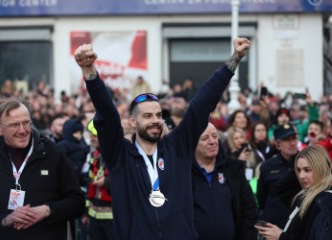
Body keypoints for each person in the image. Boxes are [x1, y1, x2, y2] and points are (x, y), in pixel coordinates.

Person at [74, 37, 250, 240]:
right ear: (133, 122)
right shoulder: (119, 156)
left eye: (158, 115)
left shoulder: (178, 147)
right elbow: (107, 114)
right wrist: (90, 73)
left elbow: (202, 103)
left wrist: (234, 60)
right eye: (147, 116)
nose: (155, 121)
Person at [0, 97, 85, 239]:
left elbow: (78, 202)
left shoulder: (52, 152)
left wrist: (47, 210)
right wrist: (4, 220)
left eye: (26, 123)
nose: (22, 130)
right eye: (14, 125)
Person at [192, 122, 258, 240]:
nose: (212, 141)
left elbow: (249, 211)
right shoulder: (184, 174)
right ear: (193, 144)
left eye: (215, 136)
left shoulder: (233, 170)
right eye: (205, 138)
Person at [255, 145, 332, 240]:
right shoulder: (304, 195)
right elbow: (280, 189)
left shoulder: (325, 202)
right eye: (298, 170)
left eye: (307, 170)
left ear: (320, 168)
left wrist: (281, 236)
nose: (301, 176)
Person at [257, 124, 299, 229]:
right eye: (287, 140)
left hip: (299, 223)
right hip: (274, 223)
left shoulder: (306, 163)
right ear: (278, 145)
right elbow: (261, 197)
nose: (292, 143)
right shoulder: (267, 166)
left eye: (294, 138)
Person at [82, 120, 113, 240]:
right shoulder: (94, 156)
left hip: (113, 219)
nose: (92, 139)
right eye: (91, 135)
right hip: (93, 217)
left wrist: (106, 182)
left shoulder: (118, 156)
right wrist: (86, 212)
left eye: (95, 136)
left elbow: (125, 184)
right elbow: (89, 185)